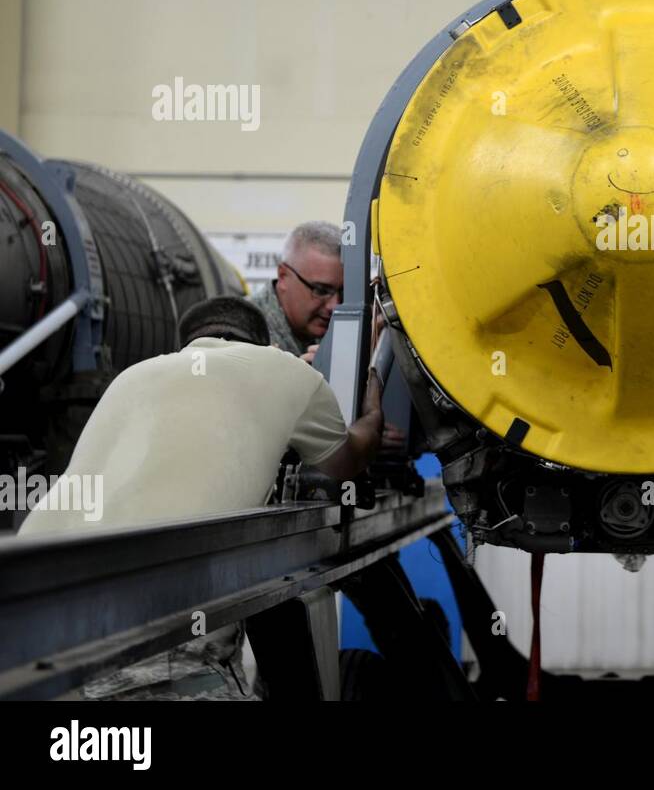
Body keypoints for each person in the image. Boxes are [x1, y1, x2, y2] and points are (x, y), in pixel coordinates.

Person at [18, 296, 384, 699]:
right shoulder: (287, 370)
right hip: (156, 630)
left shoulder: (135, 374)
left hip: (35, 616)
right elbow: (349, 460)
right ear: (267, 344)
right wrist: (374, 399)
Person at [248, 221, 344, 364]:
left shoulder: (342, 333)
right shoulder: (240, 332)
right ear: (283, 276)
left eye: (343, 291)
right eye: (321, 290)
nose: (334, 305)